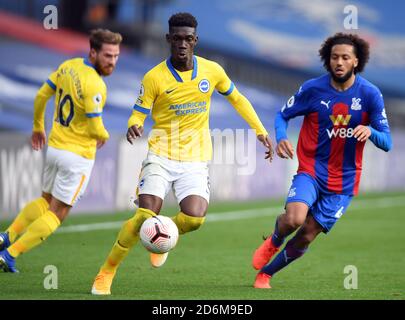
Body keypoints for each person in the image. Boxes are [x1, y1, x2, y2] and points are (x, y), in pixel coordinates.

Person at [91, 12, 274, 295]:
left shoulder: (212, 71)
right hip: (160, 155)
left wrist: (260, 131)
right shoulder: (154, 77)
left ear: (195, 40)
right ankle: (106, 273)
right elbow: (138, 113)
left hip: (195, 160)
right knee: (143, 215)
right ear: (168, 39)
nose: (182, 44)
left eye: (188, 39)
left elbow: (237, 99)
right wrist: (134, 125)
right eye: (177, 39)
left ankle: (163, 233)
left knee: (195, 218)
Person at [251, 32, 392, 289]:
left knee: (306, 234)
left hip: (344, 181)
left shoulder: (371, 94)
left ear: (356, 62)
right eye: (334, 57)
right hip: (311, 171)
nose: (338, 62)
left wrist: (371, 132)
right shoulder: (313, 89)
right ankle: (274, 239)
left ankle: (266, 274)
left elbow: (388, 142)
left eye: (345, 57)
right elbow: (282, 115)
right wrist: (281, 137)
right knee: (294, 219)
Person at [0, 29, 122, 272]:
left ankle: (6, 236)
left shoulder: (68, 66)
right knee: (58, 212)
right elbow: (95, 125)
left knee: (45, 200)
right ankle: (10, 254)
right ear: (93, 52)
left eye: (116, 56)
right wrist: (105, 135)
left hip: (55, 149)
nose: (112, 62)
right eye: (108, 55)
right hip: (77, 157)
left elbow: (42, 94)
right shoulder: (95, 84)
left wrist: (38, 127)